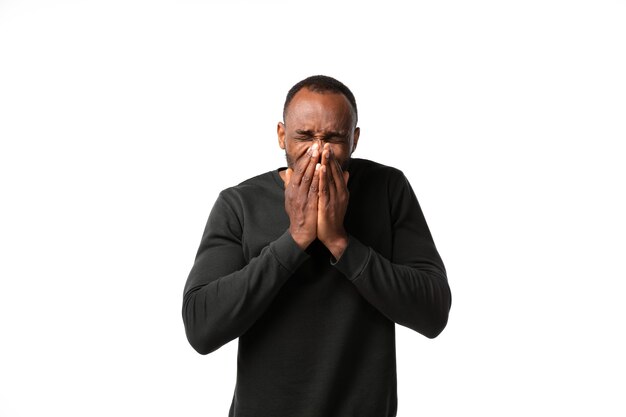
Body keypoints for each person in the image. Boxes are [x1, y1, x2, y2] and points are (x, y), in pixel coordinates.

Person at [182, 75, 452, 417]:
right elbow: (201, 328)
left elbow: (433, 313)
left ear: (354, 139)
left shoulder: (388, 189)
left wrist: (341, 242)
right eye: (304, 137)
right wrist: (294, 240)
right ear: (282, 136)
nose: (319, 152)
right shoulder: (239, 204)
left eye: (334, 139)